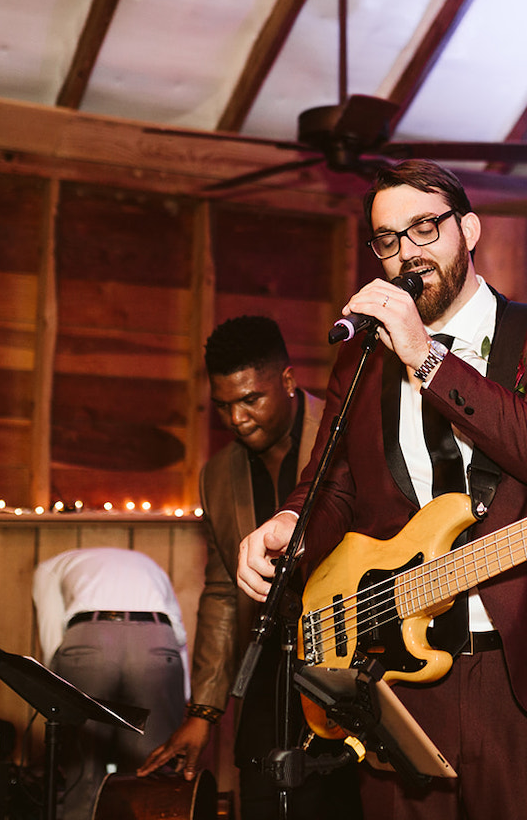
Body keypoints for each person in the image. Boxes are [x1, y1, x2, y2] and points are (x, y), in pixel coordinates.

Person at [235, 160, 527, 819]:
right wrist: (290, 524)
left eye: (424, 229)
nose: (406, 252)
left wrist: (426, 356)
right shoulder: (362, 356)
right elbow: (332, 485)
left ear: (469, 230)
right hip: (395, 670)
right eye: (387, 238)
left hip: (524, 668)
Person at [139, 314, 361, 819]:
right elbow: (221, 592)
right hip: (264, 679)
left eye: (250, 400)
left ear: (286, 381)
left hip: (346, 678)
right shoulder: (217, 476)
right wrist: (203, 712)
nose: (237, 420)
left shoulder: (346, 436)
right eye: (223, 406)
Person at [32, 546, 189, 820]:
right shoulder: (149, 561)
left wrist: (53, 684)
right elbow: (177, 630)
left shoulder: (49, 566)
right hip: (155, 639)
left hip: (90, 639)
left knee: (85, 769)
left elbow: (51, 632)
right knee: (154, 765)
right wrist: (184, 696)